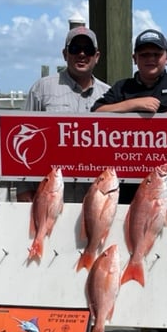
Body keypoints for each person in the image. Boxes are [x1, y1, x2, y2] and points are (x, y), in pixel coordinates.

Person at [92, 28, 167, 204]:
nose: (151, 59)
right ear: (135, 58)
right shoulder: (123, 87)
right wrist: (135, 104)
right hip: (128, 178)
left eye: (156, 54)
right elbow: (97, 112)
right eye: (144, 54)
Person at [17, 25, 110, 202]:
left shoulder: (109, 94)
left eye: (88, 50)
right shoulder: (42, 88)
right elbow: (22, 140)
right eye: (75, 49)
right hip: (48, 198)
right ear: (65, 54)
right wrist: (23, 191)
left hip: (94, 200)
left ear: (96, 56)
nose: (82, 54)